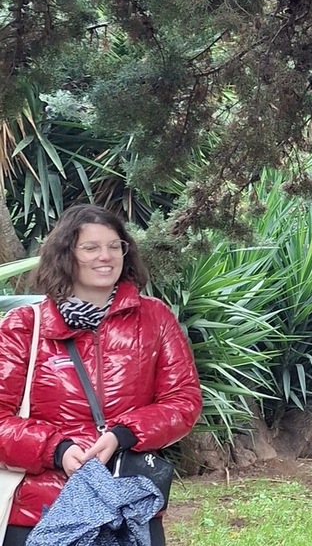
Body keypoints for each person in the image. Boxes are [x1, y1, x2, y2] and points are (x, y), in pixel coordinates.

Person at [0, 205, 202, 545]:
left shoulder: (154, 318)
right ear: (66, 255)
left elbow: (183, 401)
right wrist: (57, 449)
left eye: (114, 246)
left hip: (128, 506)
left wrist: (124, 434)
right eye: (90, 248)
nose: (105, 257)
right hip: (42, 510)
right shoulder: (23, 326)